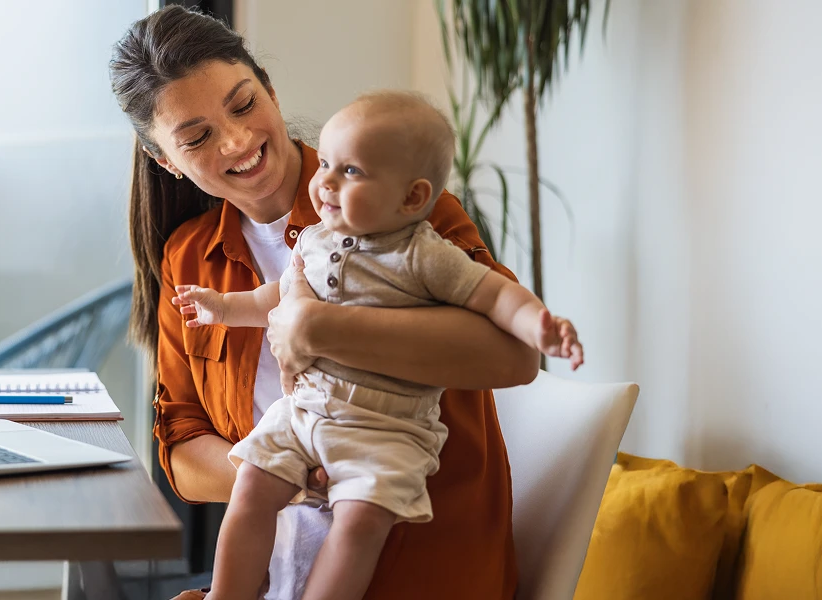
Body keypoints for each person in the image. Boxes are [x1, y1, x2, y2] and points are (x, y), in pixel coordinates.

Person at [109, 6, 538, 599]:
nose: (237, 140)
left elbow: (515, 357)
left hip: (420, 574)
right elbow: (181, 447)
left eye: (243, 104)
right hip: (276, 575)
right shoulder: (188, 259)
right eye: (197, 137)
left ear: (271, 91)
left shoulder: (403, 206)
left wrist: (317, 328)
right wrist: (286, 473)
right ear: (167, 162)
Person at [171, 90, 583, 600]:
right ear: (166, 157)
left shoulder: (424, 251)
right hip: (304, 413)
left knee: (361, 522)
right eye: (327, 163)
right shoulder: (314, 240)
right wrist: (223, 308)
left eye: (350, 172)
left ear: (411, 198)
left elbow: (496, 297)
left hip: (384, 430)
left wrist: (537, 322)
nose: (324, 181)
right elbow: (268, 299)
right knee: (252, 483)